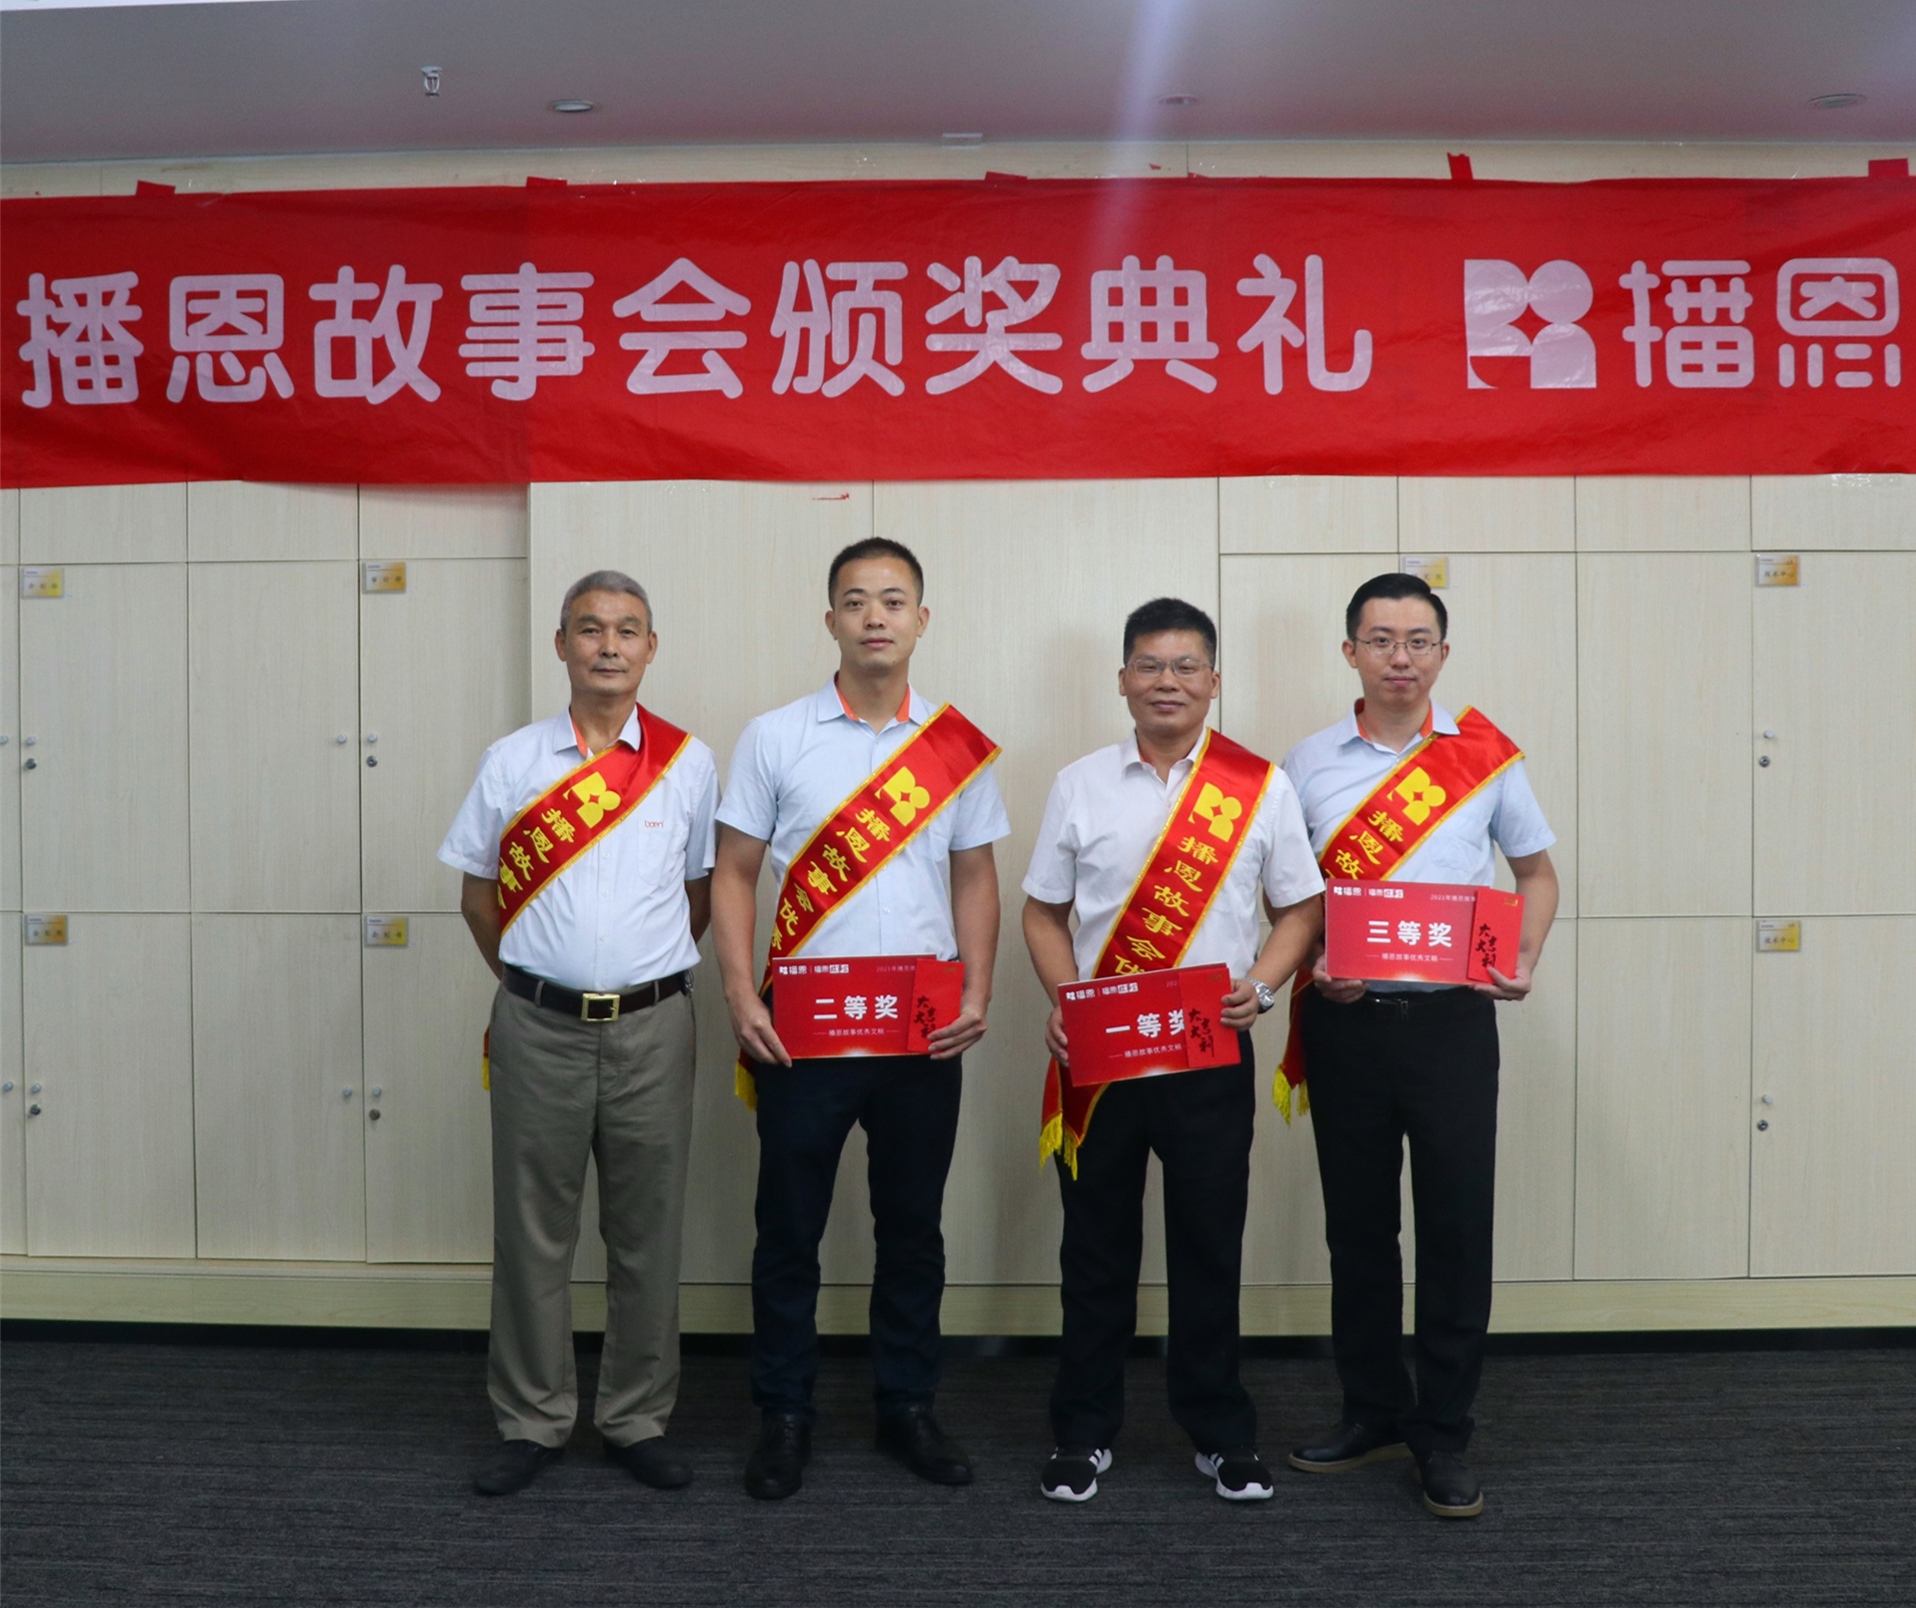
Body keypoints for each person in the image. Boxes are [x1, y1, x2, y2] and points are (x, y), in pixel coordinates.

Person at [711, 537, 1009, 1501]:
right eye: (855, 600)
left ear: (922, 619)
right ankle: (784, 1414)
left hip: (921, 1031)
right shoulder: (775, 737)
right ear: (831, 619)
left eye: (892, 599)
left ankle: (906, 1406)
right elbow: (735, 873)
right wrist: (741, 994)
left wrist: (977, 989)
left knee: (912, 1229)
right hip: (803, 1031)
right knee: (788, 1228)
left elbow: (975, 875)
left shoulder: (955, 746)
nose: (874, 616)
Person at [1021, 597, 1324, 1504]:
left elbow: (1300, 909)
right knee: (1095, 1251)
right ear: (1122, 679)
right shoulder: (1079, 783)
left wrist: (1261, 987)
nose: (1167, 682)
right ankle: (1083, 1431)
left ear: (1213, 681)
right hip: (1104, 1059)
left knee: (1207, 1247)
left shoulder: (1258, 786)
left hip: (1209, 1053)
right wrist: (1066, 1001)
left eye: (1186, 666)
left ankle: (1221, 1432)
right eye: (1150, 665)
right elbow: (1042, 912)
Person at [1279, 571, 1559, 1520]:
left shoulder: (1484, 758)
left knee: (1455, 1227)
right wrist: (1312, 960)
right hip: (1346, 1025)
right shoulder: (1307, 764)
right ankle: (1371, 1410)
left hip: (1450, 1027)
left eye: (1417, 641)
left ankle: (1442, 1432)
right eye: (1380, 639)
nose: (1399, 657)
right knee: (1358, 1230)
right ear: (1349, 651)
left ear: (1442, 653)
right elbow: (1288, 897)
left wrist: (1523, 955)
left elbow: (1537, 873)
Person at [439, 570, 719, 1497]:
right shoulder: (513, 761)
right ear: (561, 644)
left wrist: (637, 976)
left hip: (654, 1029)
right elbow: (478, 896)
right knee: (532, 1233)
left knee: (649, 1231)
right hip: (538, 1027)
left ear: (651, 648)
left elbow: (698, 895)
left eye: (627, 630)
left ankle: (636, 1420)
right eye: (590, 629)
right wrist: (535, 983)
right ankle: (532, 1421)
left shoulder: (687, 763)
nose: (609, 645)